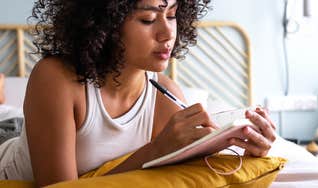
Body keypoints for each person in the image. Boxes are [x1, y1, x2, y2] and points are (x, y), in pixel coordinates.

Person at [0, 0, 276, 187]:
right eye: (147, 19)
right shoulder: (56, 78)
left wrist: (248, 148)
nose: (167, 33)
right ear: (105, 24)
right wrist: (156, 149)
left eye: (172, 15)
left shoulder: (165, 96)